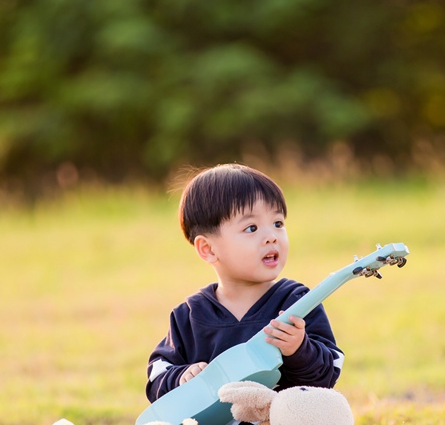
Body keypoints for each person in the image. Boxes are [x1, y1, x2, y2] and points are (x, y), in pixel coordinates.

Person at [145, 164, 344, 406]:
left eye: (278, 223)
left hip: (281, 424)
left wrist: (300, 349)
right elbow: (157, 376)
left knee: (333, 410)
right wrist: (181, 377)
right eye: (251, 228)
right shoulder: (189, 315)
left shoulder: (297, 302)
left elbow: (329, 374)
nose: (272, 237)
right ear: (208, 249)